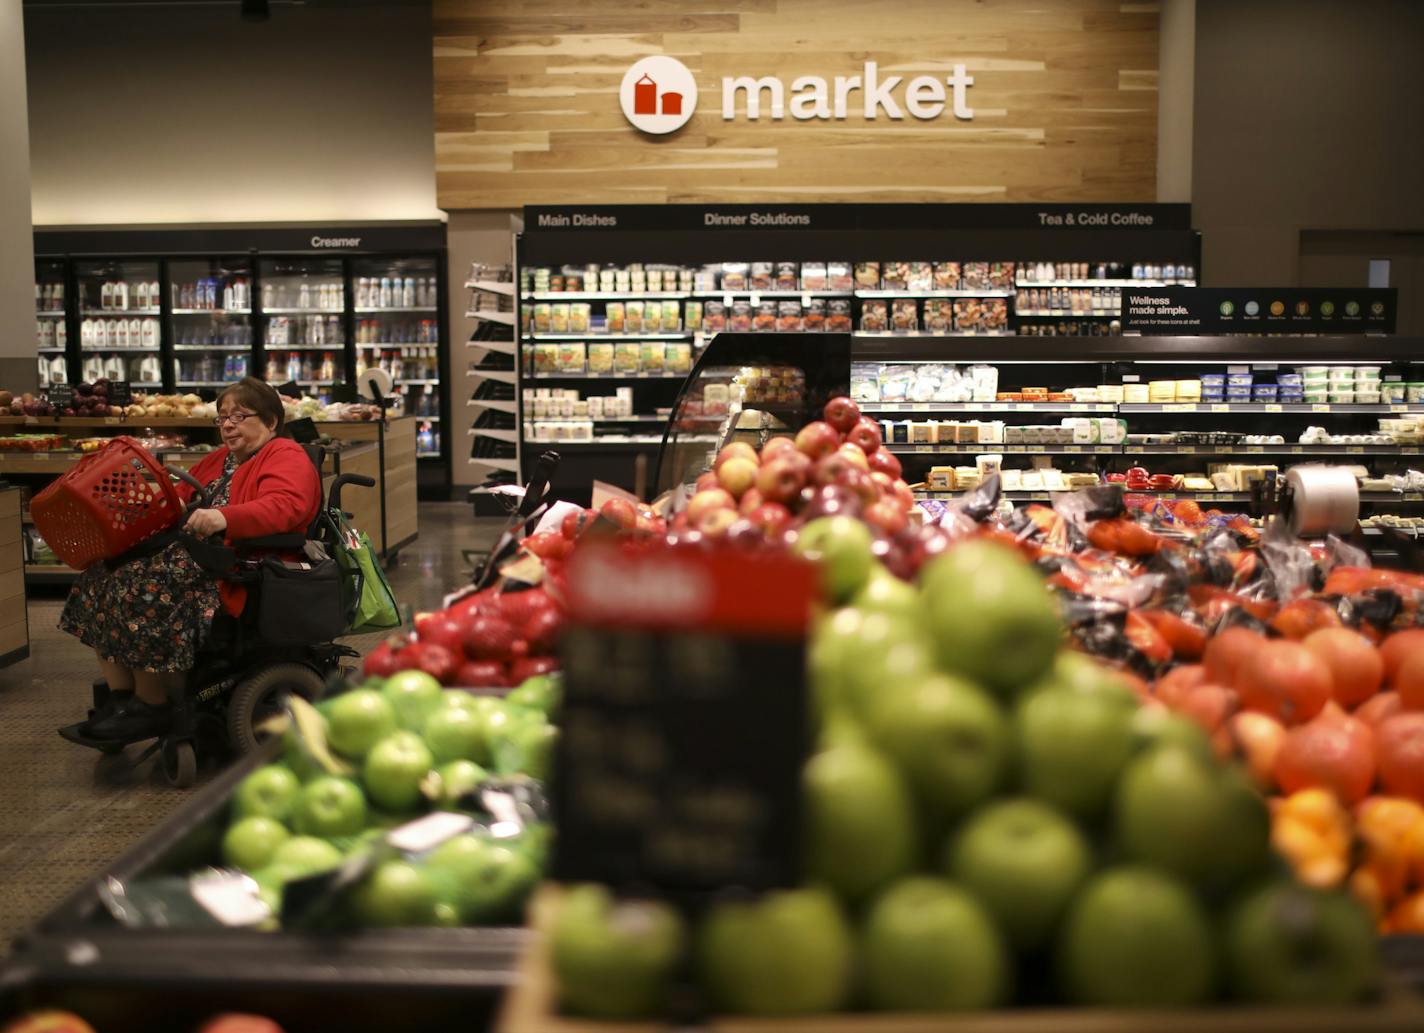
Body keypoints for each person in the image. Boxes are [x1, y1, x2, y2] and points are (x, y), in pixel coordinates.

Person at [60, 377, 321, 742]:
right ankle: (121, 699)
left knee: (140, 586)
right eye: (222, 417)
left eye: (239, 416)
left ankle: (152, 703)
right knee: (101, 574)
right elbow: (179, 496)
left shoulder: (285, 455)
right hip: (198, 555)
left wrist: (225, 516)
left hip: (239, 564)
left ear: (271, 421)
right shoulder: (220, 458)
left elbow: (285, 507)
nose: (227, 425)